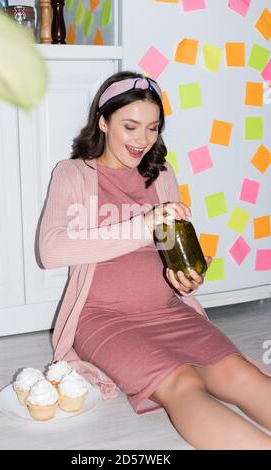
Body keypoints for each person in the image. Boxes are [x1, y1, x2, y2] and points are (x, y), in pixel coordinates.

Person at [38, 71, 271, 450]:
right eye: (130, 126)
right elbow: (51, 250)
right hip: (103, 318)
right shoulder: (73, 173)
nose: (142, 140)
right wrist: (143, 224)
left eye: (152, 128)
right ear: (103, 120)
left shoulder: (161, 174)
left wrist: (184, 277)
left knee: (238, 372)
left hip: (167, 310)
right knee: (184, 383)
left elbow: (169, 247)